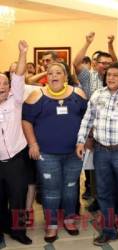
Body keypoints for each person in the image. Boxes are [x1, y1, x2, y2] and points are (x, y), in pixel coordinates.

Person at [76, 62, 118, 249]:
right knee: (104, 193)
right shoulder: (98, 94)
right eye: (108, 75)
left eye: (115, 75)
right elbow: (87, 119)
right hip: (101, 151)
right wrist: (81, 141)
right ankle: (108, 230)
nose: (111, 78)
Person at [22, 62, 87, 243]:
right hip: (46, 153)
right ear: (46, 77)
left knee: (70, 187)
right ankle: (51, 225)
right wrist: (32, 144)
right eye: (50, 73)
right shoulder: (36, 95)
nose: (54, 76)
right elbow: (26, 121)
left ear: (66, 76)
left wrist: (85, 141)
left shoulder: (78, 94)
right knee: (51, 190)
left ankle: (69, 219)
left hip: (74, 152)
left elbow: (87, 118)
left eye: (59, 72)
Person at [0, 40, 32, 245]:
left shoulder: (16, 99)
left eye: (4, 83)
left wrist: (22, 53)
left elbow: (19, 75)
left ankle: (19, 232)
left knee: (18, 197)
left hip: (16, 159)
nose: (1, 87)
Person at [73, 32, 113, 99]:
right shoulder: (89, 77)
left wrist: (110, 44)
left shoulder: (116, 78)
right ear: (96, 64)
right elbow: (76, 64)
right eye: (104, 63)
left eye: (109, 64)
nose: (107, 66)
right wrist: (87, 43)